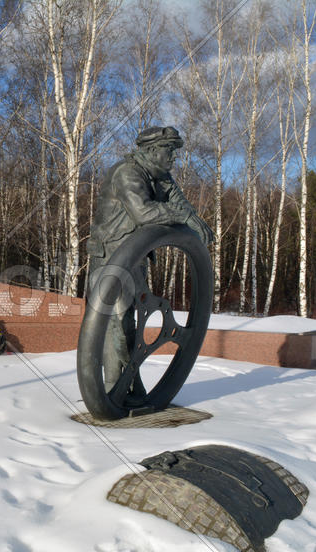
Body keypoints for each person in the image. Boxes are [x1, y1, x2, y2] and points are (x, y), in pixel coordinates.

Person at [86, 126, 213, 400]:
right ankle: (115, 389)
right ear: (152, 151)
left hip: (135, 257)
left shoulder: (161, 176)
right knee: (116, 325)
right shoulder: (127, 173)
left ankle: (128, 386)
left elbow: (181, 205)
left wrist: (191, 218)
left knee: (127, 324)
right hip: (111, 257)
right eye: (169, 151)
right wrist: (184, 217)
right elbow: (143, 212)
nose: (174, 157)